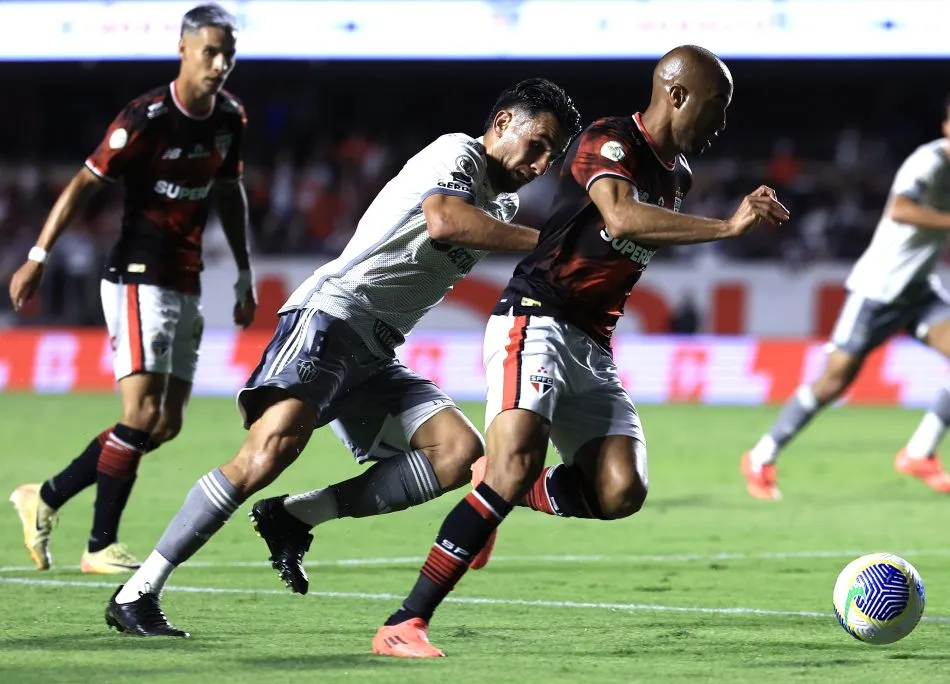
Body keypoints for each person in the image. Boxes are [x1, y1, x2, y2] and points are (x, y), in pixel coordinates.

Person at [103, 78, 581, 637]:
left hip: (377, 348)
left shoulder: (504, 204)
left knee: (456, 453)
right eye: (537, 145)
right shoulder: (459, 153)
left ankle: (293, 516)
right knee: (267, 452)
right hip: (332, 317)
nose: (541, 164)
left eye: (553, 156)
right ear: (502, 124)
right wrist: (551, 240)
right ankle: (137, 592)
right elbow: (445, 221)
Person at [370, 45, 790, 658]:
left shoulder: (677, 177)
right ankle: (405, 623)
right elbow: (619, 218)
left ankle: (502, 484)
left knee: (621, 490)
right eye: (716, 106)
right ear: (677, 96)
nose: (722, 122)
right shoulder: (609, 138)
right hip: (535, 317)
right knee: (515, 465)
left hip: (593, 342)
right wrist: (726, 228)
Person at [8, 3, 255, 574]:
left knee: (164, 424)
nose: (219, 65)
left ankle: (44, 496)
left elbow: (228, 193)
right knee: (140, 412)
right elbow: (83, 184)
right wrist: (38, 256)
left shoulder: (230, 118)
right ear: (183, 50)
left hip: (186, 277)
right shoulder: (147, 117)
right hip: (138, 274)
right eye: (210, 52)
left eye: (228, 54)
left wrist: (245, 272)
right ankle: (100, 545)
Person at [741, 85, 950, 500]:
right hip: (879, 290)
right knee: (832, 383)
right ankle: (761, 456)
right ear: (946, 126)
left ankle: (919, 453)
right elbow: (900, 209)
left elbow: (947, 221)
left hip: (918, 290)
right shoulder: (928, 161)